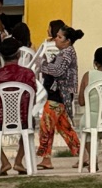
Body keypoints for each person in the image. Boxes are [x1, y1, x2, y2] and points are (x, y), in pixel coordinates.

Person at [0, 37, 37, 175]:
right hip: (24, 119)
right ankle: (19, 161)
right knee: (32, 123)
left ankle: (4, 162)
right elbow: (34, 99)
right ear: (19, 54)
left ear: (1, 56)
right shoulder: (28, 74)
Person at [36, 25, 84, 170]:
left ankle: (46, 158)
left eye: (59, 37)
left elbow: (57, 71)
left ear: (67, 41)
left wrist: (42, 65)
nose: (56, 39)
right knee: (64, 127)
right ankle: (84, 155)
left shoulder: (66, 54)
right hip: (61, 95)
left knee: (46, 125)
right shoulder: (66, 52)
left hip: (58, 95)